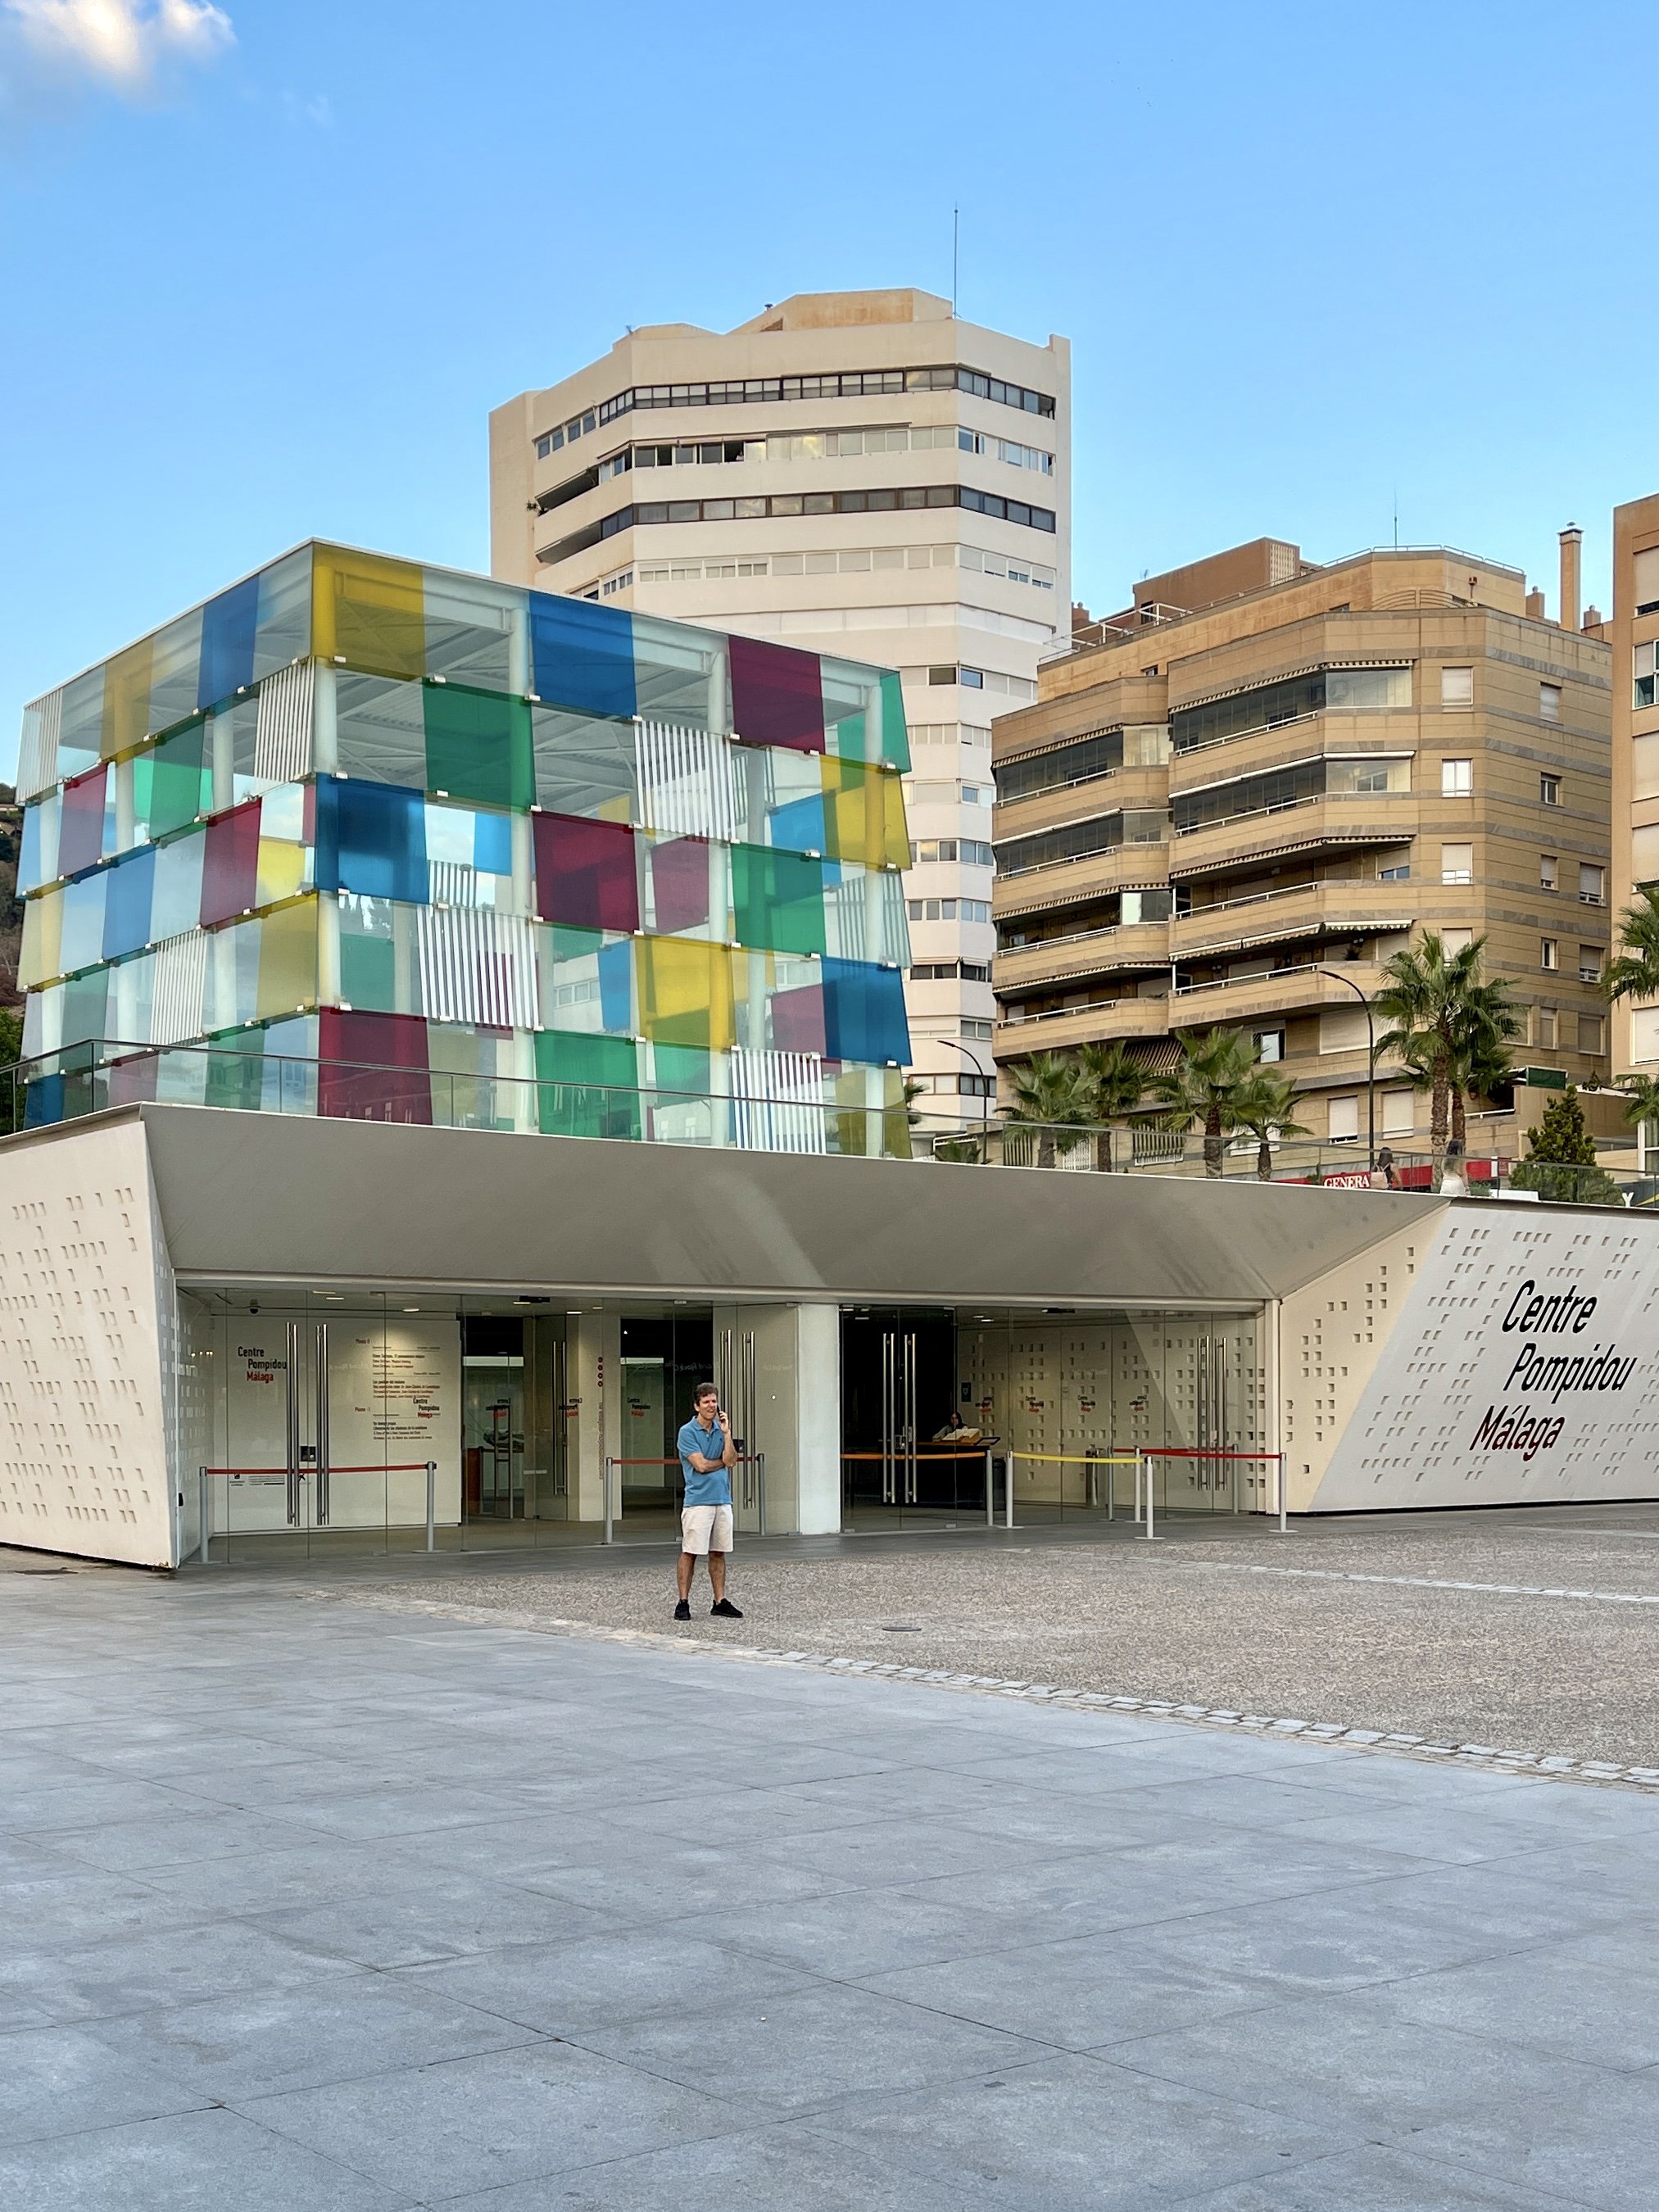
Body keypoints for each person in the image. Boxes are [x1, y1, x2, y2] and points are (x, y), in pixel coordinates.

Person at [673, 1382, 742, 1621]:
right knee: (690, 1551)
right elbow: (701, 1465)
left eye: (714, 1401)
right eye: (706, 1402)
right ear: (697, 1406)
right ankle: (683, 1602)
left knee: (718, 1552)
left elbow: (732, 1458)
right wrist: (723, 1462)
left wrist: (726, 1433)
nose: (712, 1406)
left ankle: (719, 1600)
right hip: (698, 1501)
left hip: (722, 1499)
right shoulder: (687, 1432)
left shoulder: (719, 1429)